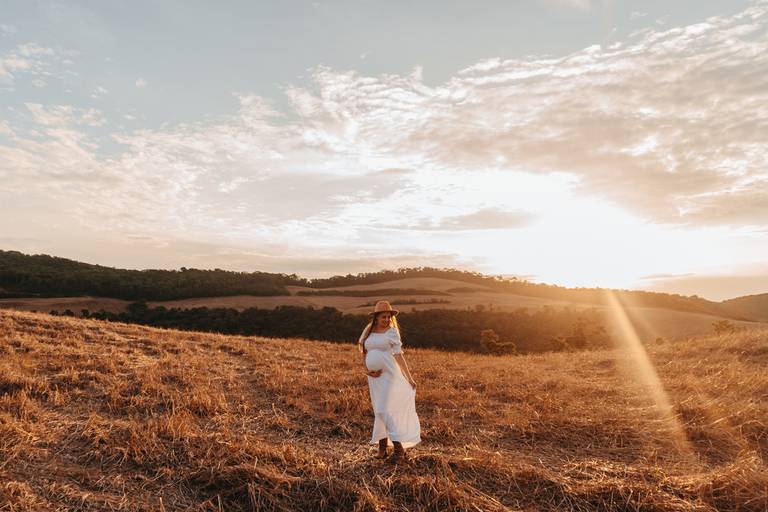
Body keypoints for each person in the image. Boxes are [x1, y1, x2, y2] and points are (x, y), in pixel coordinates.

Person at [358, 300, 421, 463]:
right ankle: (382, 449)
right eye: (383, 317)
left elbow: (398, 355)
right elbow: (363, 352)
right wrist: (367, 370)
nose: (386, 319)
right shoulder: (369, 331)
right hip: (374, 378)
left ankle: (399, 451)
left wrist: (409, 377)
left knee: (383, 410)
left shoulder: (392, 332)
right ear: (376, 317)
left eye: (388, 317)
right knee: (378, 409)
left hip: (389, 376)